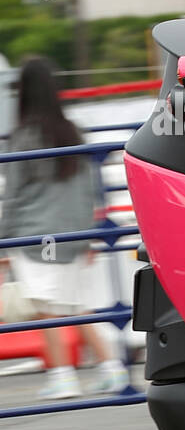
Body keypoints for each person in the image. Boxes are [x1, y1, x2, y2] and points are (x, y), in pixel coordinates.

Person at [0, 57, 128, 399]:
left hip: (34, 232)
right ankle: (112, 369)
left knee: (48, 308)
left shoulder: (23, 136)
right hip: (72, 231)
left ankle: (62, 376)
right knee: (73, 304)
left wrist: (2, 239)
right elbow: (89, 187)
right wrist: (87, 234)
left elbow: (13, 193)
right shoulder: (73, 129)